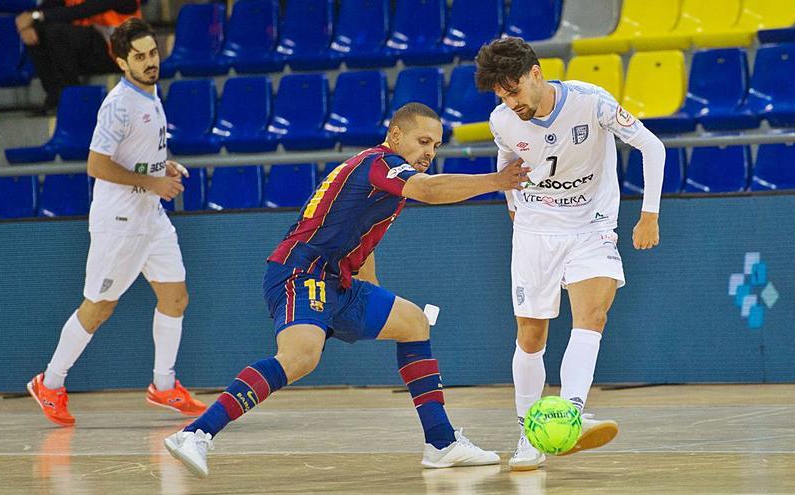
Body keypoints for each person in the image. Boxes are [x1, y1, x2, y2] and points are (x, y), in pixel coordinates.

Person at [163, 102, 531, 478]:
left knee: (413, 323)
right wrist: (497, 181)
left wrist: (370, 292)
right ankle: (196, 433)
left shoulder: (383, 174)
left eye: (436, 146)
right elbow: (431, 191)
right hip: (301, 272)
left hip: (337, 281)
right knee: (300, 357)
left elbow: (358, 236)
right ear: (395, 135)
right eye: (423, 141)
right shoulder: (382, 163)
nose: (429, 152)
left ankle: (441, 443)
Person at [474, 37, 665, 471]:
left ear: (535, 73)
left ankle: (570, 414)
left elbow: (652, 147)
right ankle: (528, 433)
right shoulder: (502, 120)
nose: (511, 102)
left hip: (591, 227)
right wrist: (514, 210)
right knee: (531, 336)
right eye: (501, 95)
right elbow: (509, 166)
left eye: (514, 90)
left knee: (593, 317)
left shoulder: (591, 103)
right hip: (535, 231)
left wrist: (648, 215)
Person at [27, 18, 206, 427]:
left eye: (153, 53)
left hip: (151, 217)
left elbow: (138, 153)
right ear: (122, 62)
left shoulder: (150, 95)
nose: (150, 62)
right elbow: (96, 164)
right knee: (99, 307)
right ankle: (50, 382)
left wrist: (164, 166)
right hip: (120, 220)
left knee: (176, 297)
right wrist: (153, 182)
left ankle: (163, 386)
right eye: (139, 57)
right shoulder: (118, 104)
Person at [15, 0, 141, 114]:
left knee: (58, 32)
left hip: (120, 55)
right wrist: (27, 24)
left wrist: (35, 16)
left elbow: (82, 10)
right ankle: (55, 97)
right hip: (91, 52)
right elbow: (50, 6)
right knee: (36, 32)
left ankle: (74, 100)